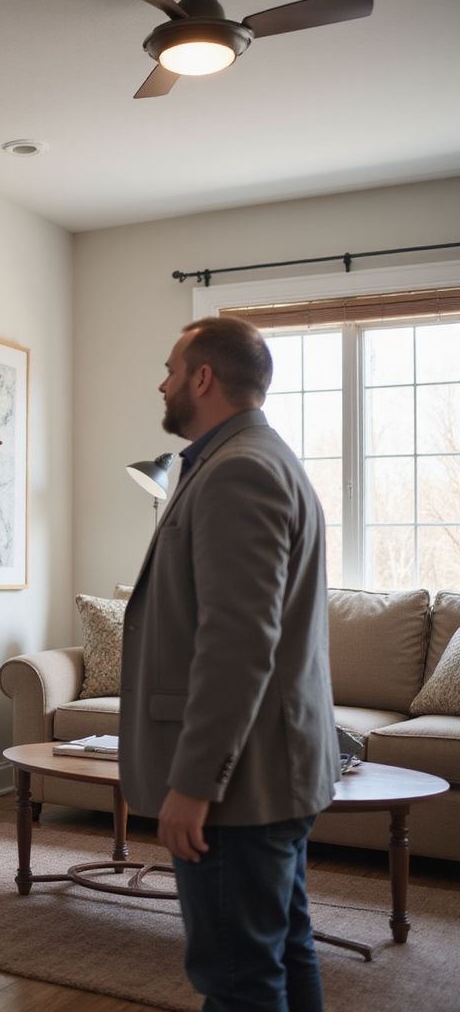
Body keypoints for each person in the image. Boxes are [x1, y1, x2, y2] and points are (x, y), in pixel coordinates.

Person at [119, 316, 340, 1011]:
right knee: (281, 949)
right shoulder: (251, 458)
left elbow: (239, 641)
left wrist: (195, 782)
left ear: (203, 378)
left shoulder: (239, 469)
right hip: (269, 773)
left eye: (170, 368)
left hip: (240, 785)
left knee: (238, 978)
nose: (163, 382)